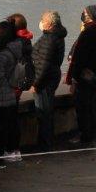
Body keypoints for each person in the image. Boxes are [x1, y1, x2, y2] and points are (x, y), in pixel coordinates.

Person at [67, 5, 96, 147]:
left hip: (84, 77)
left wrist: (74, 78)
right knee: (88, 107)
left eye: (84, 12)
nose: (82, 14)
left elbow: (80, 58)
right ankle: (88, 134)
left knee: (83, 107)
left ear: (89, 15)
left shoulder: (88, 32)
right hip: (92, 76)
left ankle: (84, 135)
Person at [0, 20, 24, 164]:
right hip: (11, 91)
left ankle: (2, 155)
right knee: (11, 124)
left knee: (1, 127)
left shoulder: (2, 55)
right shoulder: (16, 50)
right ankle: (13, 151)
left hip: (1, 95)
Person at [31, 11, 67, 150]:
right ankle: (46, 142)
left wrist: (36, 83)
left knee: (43, 112)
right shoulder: (56, 36)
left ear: (50, 23)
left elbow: (44, 64)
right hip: (51, 77)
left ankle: (45, 145)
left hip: (45, 81)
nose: (40, 21)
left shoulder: (50, 39)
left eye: (43, 19)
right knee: (46, 112)